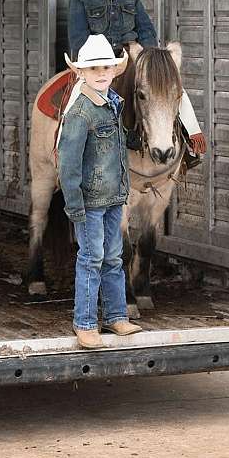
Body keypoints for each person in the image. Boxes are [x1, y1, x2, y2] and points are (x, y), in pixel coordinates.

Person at [69, 0, 207, 160]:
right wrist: (104, 63)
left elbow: (146, 30)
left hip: (134, 59)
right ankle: (72, 154)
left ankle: (189, 143)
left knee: (169, 87)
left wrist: (151, 61)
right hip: (98, 64)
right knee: (78, 102)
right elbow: (79, 40)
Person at [58, 34, 142, 350]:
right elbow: (68, 164)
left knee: (113, 256)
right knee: (91, 257)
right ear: (81, 73)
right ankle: (85, 322)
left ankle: (117, 316)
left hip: (113, 196)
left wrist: (132, 140)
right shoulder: (80, 113)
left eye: (107, 67)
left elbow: (116, 146)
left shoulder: (114, 105)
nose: (102, 73)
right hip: (90, 201)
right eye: (94, 69)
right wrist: (75, 206)